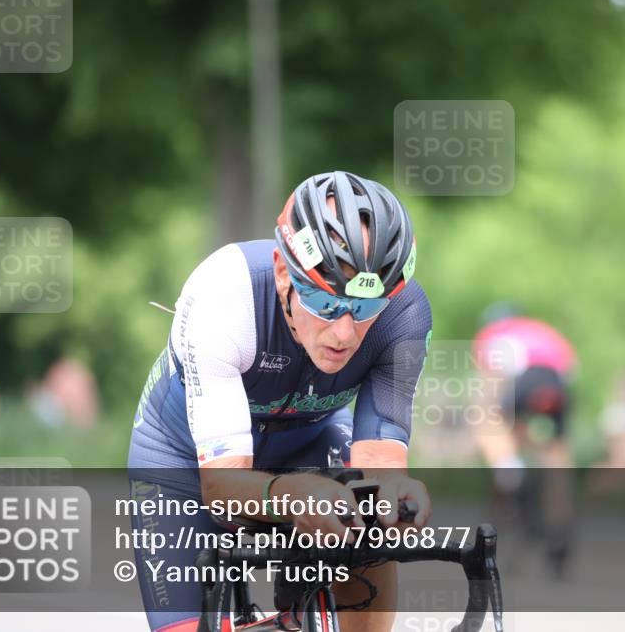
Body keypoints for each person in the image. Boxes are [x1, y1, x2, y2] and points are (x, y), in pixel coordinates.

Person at [128, 171, 433, 632]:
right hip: (183, 460)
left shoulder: (404, 313)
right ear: (281, 271)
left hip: (310, 442)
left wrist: (397, 498)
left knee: (369, 530)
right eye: (326, 304)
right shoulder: (225, 293)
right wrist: (287, 496)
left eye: (365, 307)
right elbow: (222, 486)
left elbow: (379, 460)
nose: (344, 333)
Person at [470, 304, 577, 577]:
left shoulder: (492, 335)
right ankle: (559, 530)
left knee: (487, 422)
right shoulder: (544, 332)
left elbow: (492, 385)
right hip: (554, 386)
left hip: (522, 384)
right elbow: (570, 370)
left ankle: (510, 471)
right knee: (555, 458)